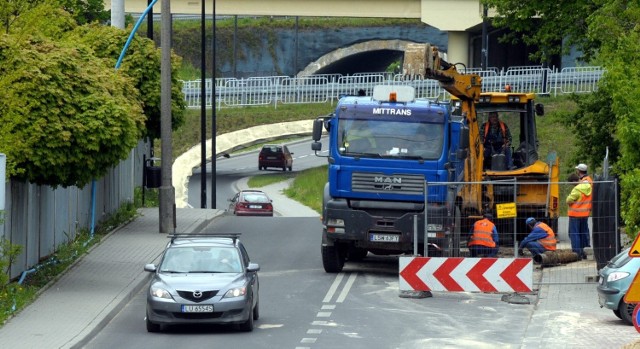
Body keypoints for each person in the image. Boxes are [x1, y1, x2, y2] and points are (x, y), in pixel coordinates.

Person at [566, 163, 593, 259]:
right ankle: (584, 250)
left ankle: (577, 253)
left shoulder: (578, 187)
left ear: (579, 171)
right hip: (585, 213)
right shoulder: (589, 182)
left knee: (574, 233)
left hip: (575, 214)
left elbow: (569, 200)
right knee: (583, 232)